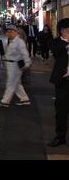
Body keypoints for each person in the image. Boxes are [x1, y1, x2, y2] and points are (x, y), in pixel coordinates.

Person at [0, 25, 32, 107]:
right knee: (16, 84)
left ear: (16, 32)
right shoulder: (13, 41)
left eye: (10, 32)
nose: (8, 33)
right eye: (8, 32)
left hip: (15, 65)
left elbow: (25, 53)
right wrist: (4, 59)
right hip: (11, 65)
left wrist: (27, 63)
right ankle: (25, 99)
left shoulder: (19, 42)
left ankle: (5, 101)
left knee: (11, 84)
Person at [48, 19, 69, 147]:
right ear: (63, 31)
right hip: (63, 82)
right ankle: (60, 136)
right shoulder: (56, 43)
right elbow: (56, 51)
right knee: (61, 110)